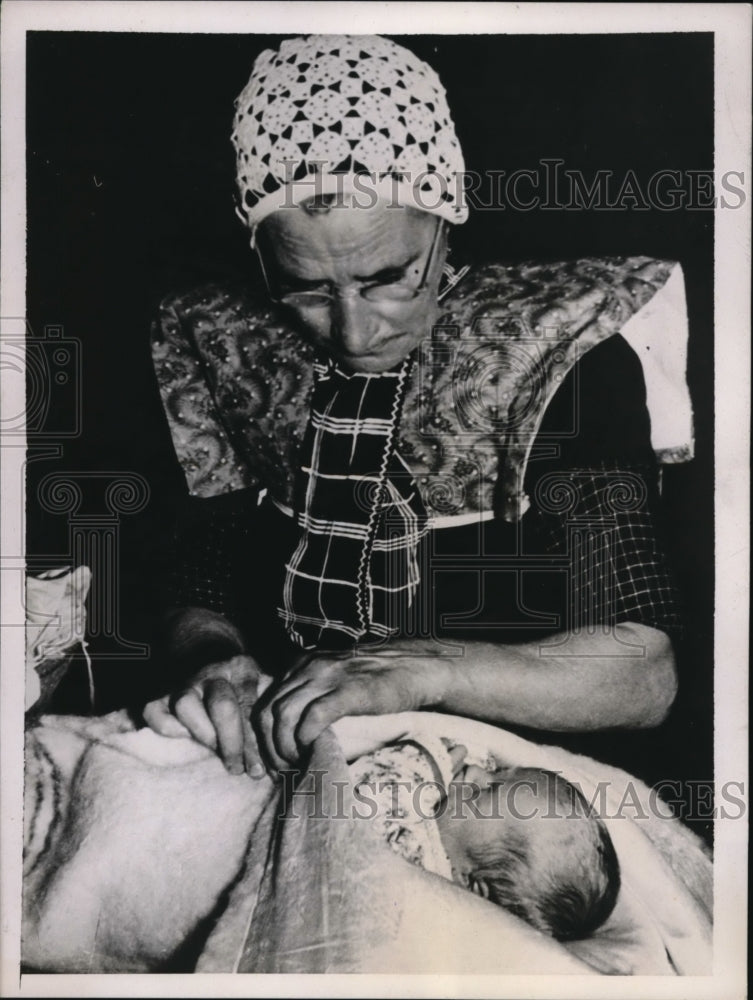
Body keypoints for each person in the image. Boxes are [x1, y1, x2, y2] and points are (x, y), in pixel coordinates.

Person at [143, 34, 683, 776]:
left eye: (389, 277)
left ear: (444, 217)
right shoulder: (225, 339)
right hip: (290, 748)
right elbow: (196, 568)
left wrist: (422, 669)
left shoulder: (555, 349)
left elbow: (642, 673)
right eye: (304, 288)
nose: (354, 331)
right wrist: (213, 656)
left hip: (506, 771)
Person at [350, 737, 621, 941]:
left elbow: (369, 794)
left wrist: (427, 763)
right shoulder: (450, 844)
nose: (477, 772)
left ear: (470, 883)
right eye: (500, 771)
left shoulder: (416, 862)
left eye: (484, 792)